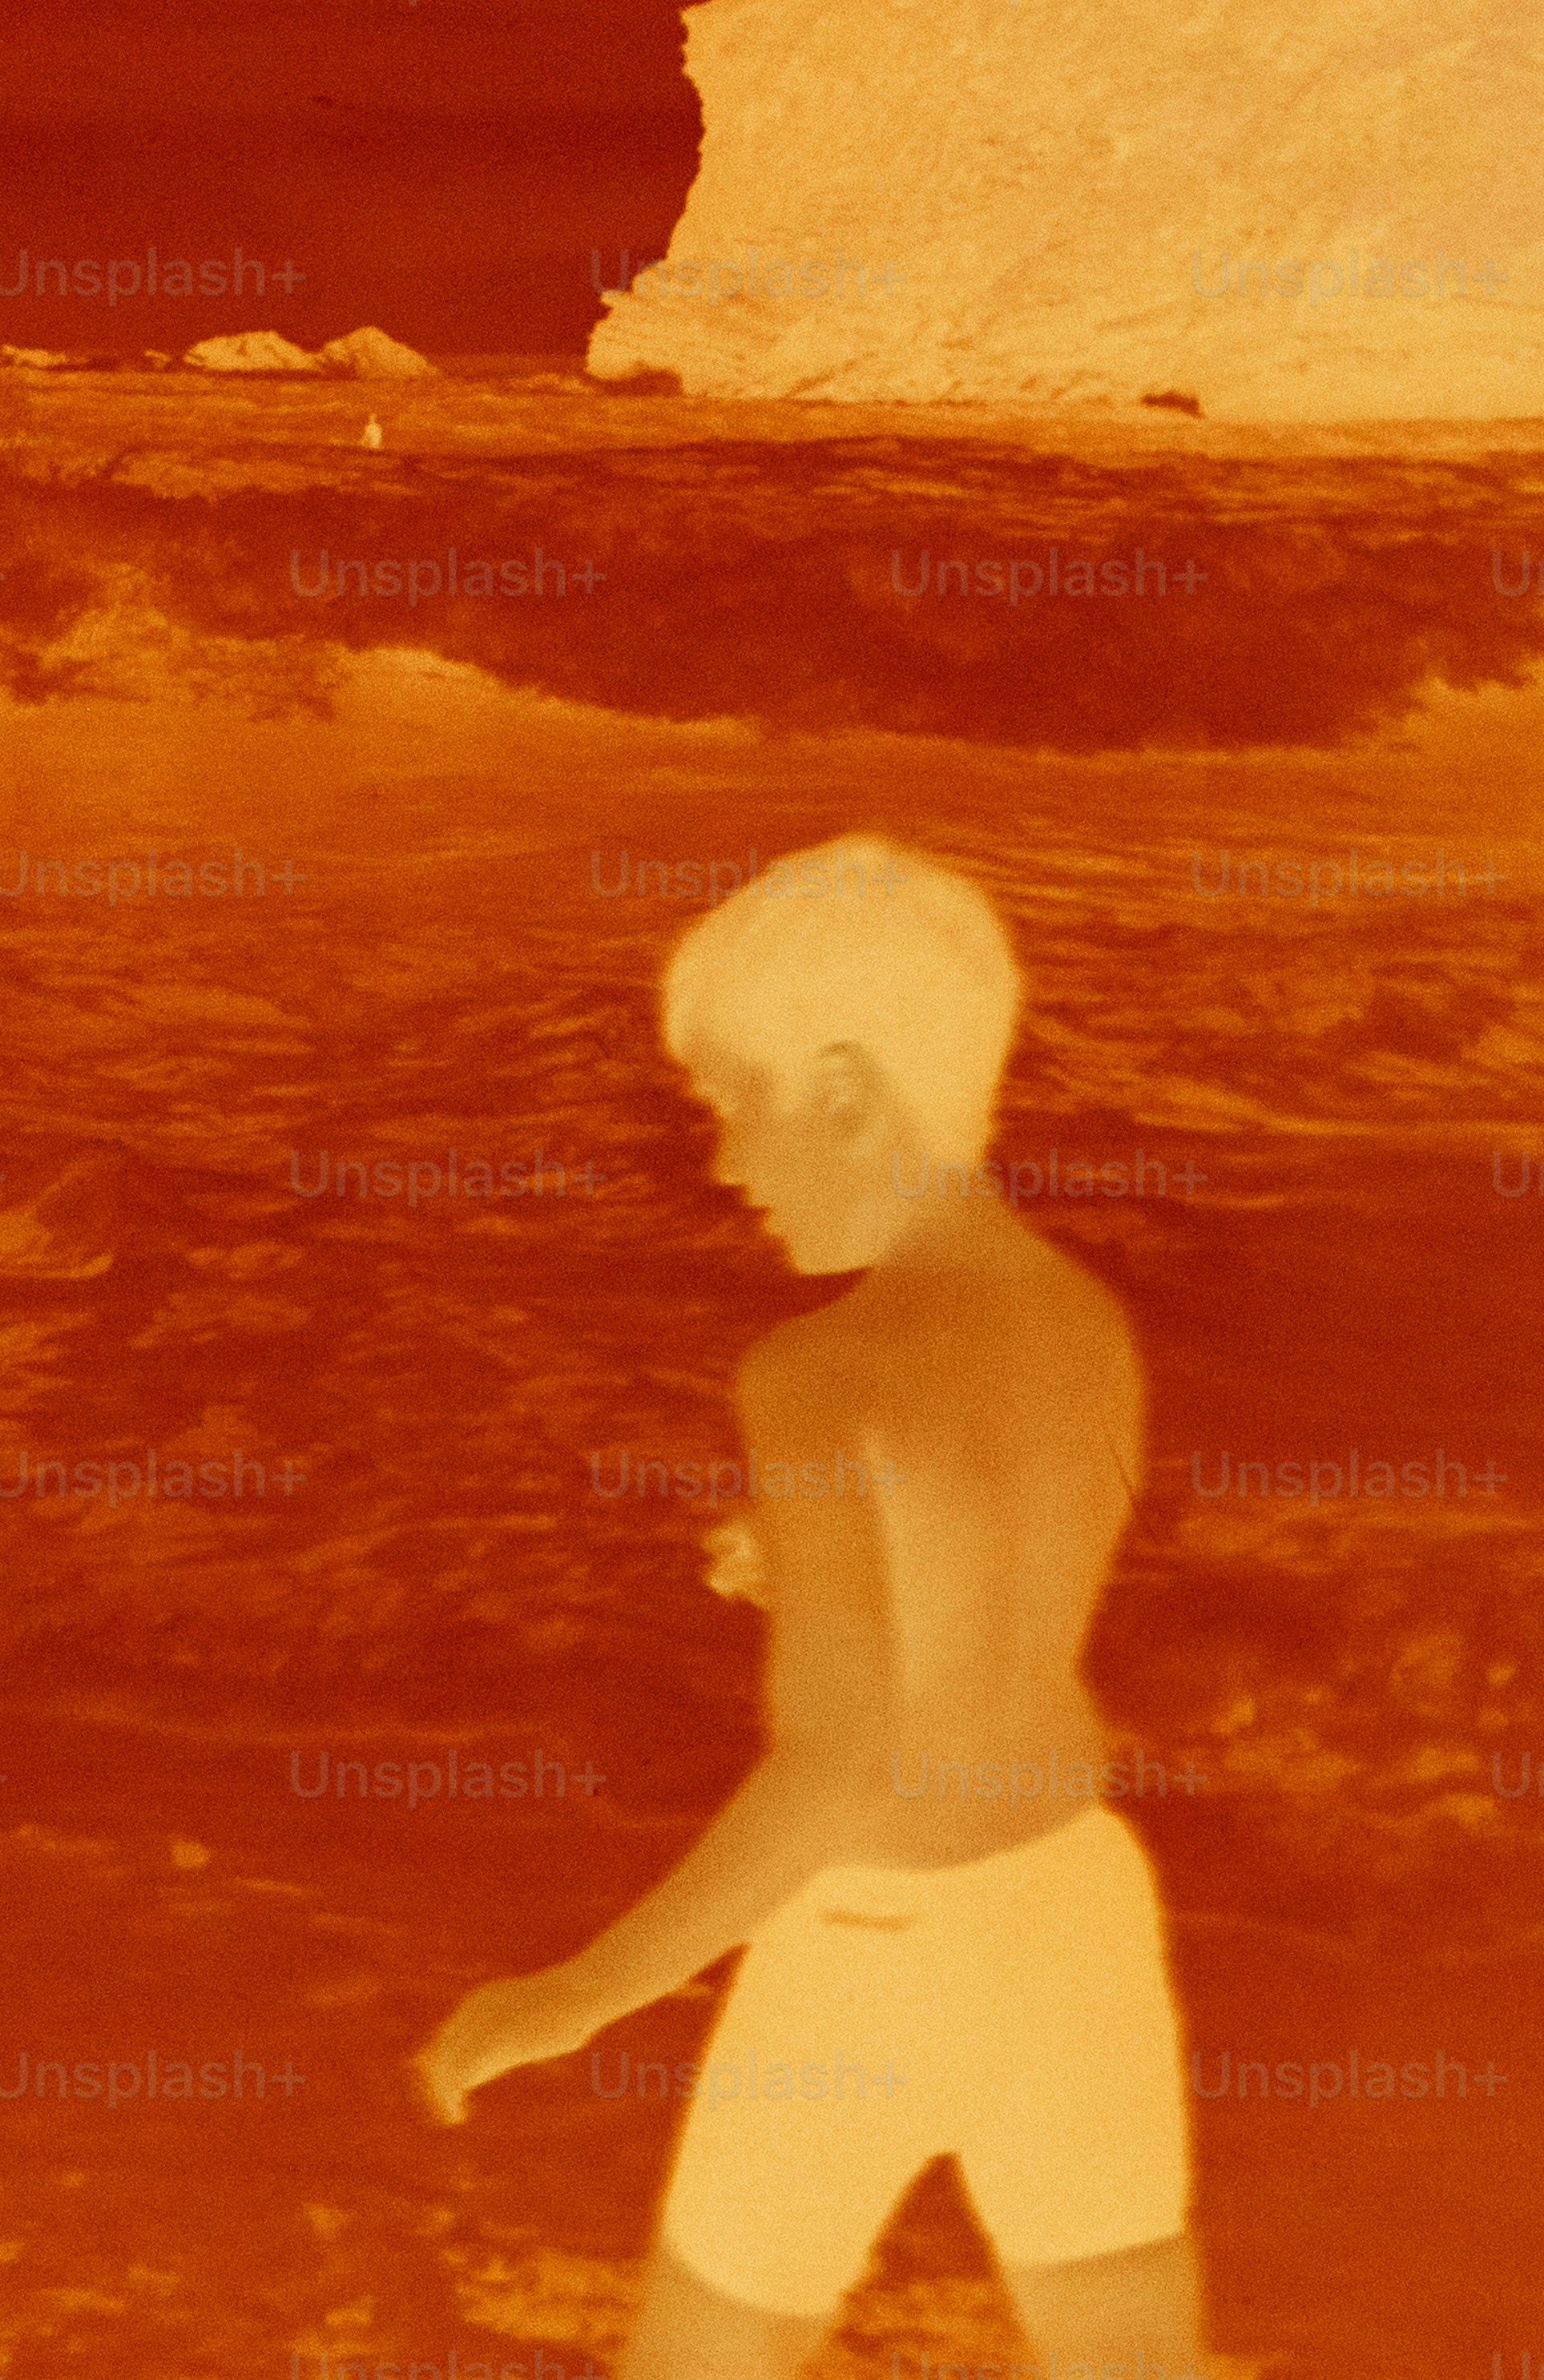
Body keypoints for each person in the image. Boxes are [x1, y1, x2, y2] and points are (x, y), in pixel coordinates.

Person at [413, 832, 1204, 2380]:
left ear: (843, 1096)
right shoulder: (1083, 1317)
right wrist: (807, 1546)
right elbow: (999, 1594)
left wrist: (583, 1993)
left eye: (731, 1109)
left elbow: (841, 1767)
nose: (724, 1164)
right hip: (1077, 1915)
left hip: (877, 1946)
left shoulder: (816, 1375)